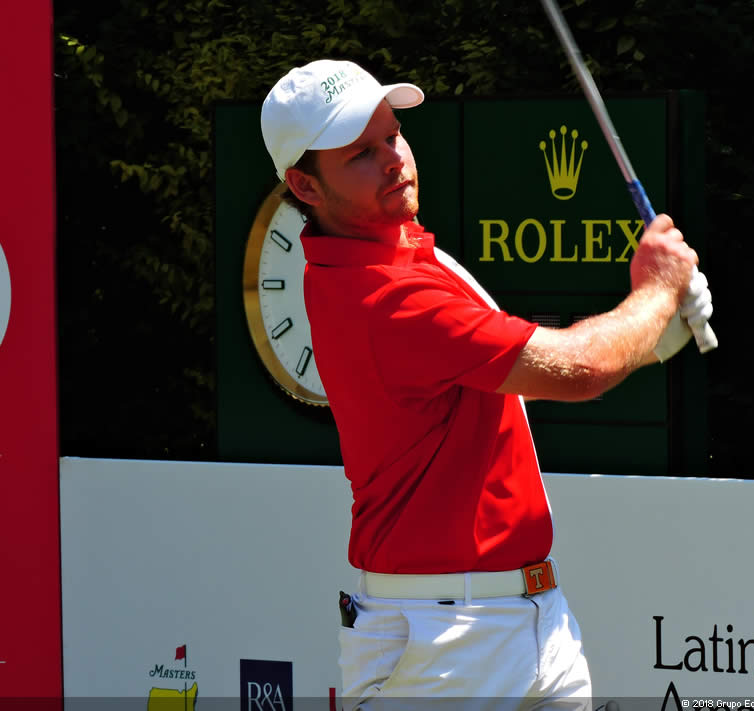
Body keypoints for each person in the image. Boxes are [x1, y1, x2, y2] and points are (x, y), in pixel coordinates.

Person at [260, 60, 712, 710]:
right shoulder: (384, 297)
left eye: (392, 136)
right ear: (305, 184)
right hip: (443, 645)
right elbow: (579, 369)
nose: (393, 159)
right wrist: (658, 291)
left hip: (529, 618)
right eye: (360, 153)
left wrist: (656, 330)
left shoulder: (399, 253)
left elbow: (538, 368)